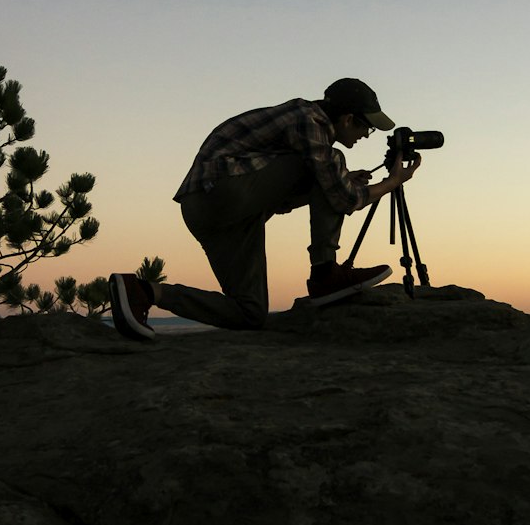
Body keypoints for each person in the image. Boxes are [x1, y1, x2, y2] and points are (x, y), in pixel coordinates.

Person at [107, 77, 422, 340]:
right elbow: (344, 199)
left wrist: (340, 181)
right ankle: (325, 274)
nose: (365, 136)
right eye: (365, 128)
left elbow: (283, 200)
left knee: (250, 313)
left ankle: (145, 292)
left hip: (213, 211)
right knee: (333, 165)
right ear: (348, 118)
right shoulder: (310, 119)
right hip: (222, 190)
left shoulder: (304, 126)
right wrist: (392, 182)